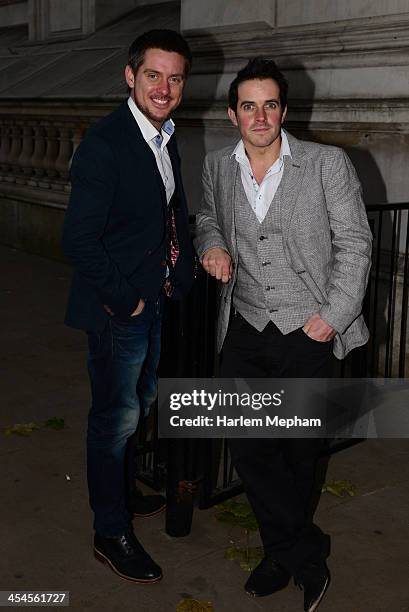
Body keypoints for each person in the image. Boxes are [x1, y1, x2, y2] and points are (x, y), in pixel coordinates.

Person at [194, 57, 372, 611]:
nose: (260, 115)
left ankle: (281, 552)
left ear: (284, 111)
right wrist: (212, 246)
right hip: (245, 325)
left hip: (307, 329)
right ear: (233, 114)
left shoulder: (326, 165)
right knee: (249, 447)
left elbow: (356, 244)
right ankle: (304, 550)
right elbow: (208, 218)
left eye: (270, 104)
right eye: (249, 105)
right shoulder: (218, 166)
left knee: (298, 449)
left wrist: (333, 315)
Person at [62, 29, 194, 584]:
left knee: (137, 407)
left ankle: (121, 492)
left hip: (152, 302)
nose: (164, 88)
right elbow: (77, 240)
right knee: (114, 421)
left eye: (175, 78)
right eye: (153, 75)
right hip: (121, 311)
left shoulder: (164, 136)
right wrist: (128, 301)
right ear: (130, 76)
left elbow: (170, 211)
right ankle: (109, 530)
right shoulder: (106, 143)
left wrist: (178, 275)